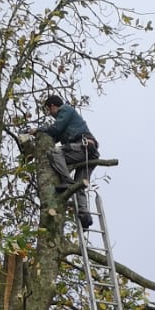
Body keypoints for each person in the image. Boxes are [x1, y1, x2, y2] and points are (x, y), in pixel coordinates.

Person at [28, 92, 97, 228]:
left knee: (54, 152)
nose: (50, 113)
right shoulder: (67, 122)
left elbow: (55, 129)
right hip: (88, 153)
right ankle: (84, 215)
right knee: (79, 186)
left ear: (53, 106)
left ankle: (67, 180)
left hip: (83, 147)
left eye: (49, 110)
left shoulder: (65, 110)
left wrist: (38, 130)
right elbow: (54, 136)